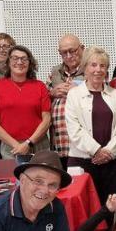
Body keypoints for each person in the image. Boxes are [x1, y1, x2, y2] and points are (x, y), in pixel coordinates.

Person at [65, 46, 116, 207]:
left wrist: (108, 152)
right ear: (85, 68)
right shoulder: (74, 95)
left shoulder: (114, 94)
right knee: (85, 207)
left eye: (102, 66)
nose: (98, 70)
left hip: (112, 161)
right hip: (83, 161)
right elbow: (74, 129)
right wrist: (97, 150)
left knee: (111, 208)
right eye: (93, 65)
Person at [0, 45, 51, 159]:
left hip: (38, 144)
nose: (20, 62)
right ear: (8, 62)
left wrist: (28, 143)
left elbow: (46, 119)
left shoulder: (40, 86)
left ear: (30, 63)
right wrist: (16, 145)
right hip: (10, 147)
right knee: (12, 177)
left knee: (40, 176)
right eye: (15, 58)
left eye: (24, 59)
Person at [48, 34, 85, 168]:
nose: (68, 56)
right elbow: (45, 97)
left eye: (72, 51)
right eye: (64, 52)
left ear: (82, 48)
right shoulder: (55, 71)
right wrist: (52, 93)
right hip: (60, 140)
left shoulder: (92, 69)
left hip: (82, 140)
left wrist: (80, 89)